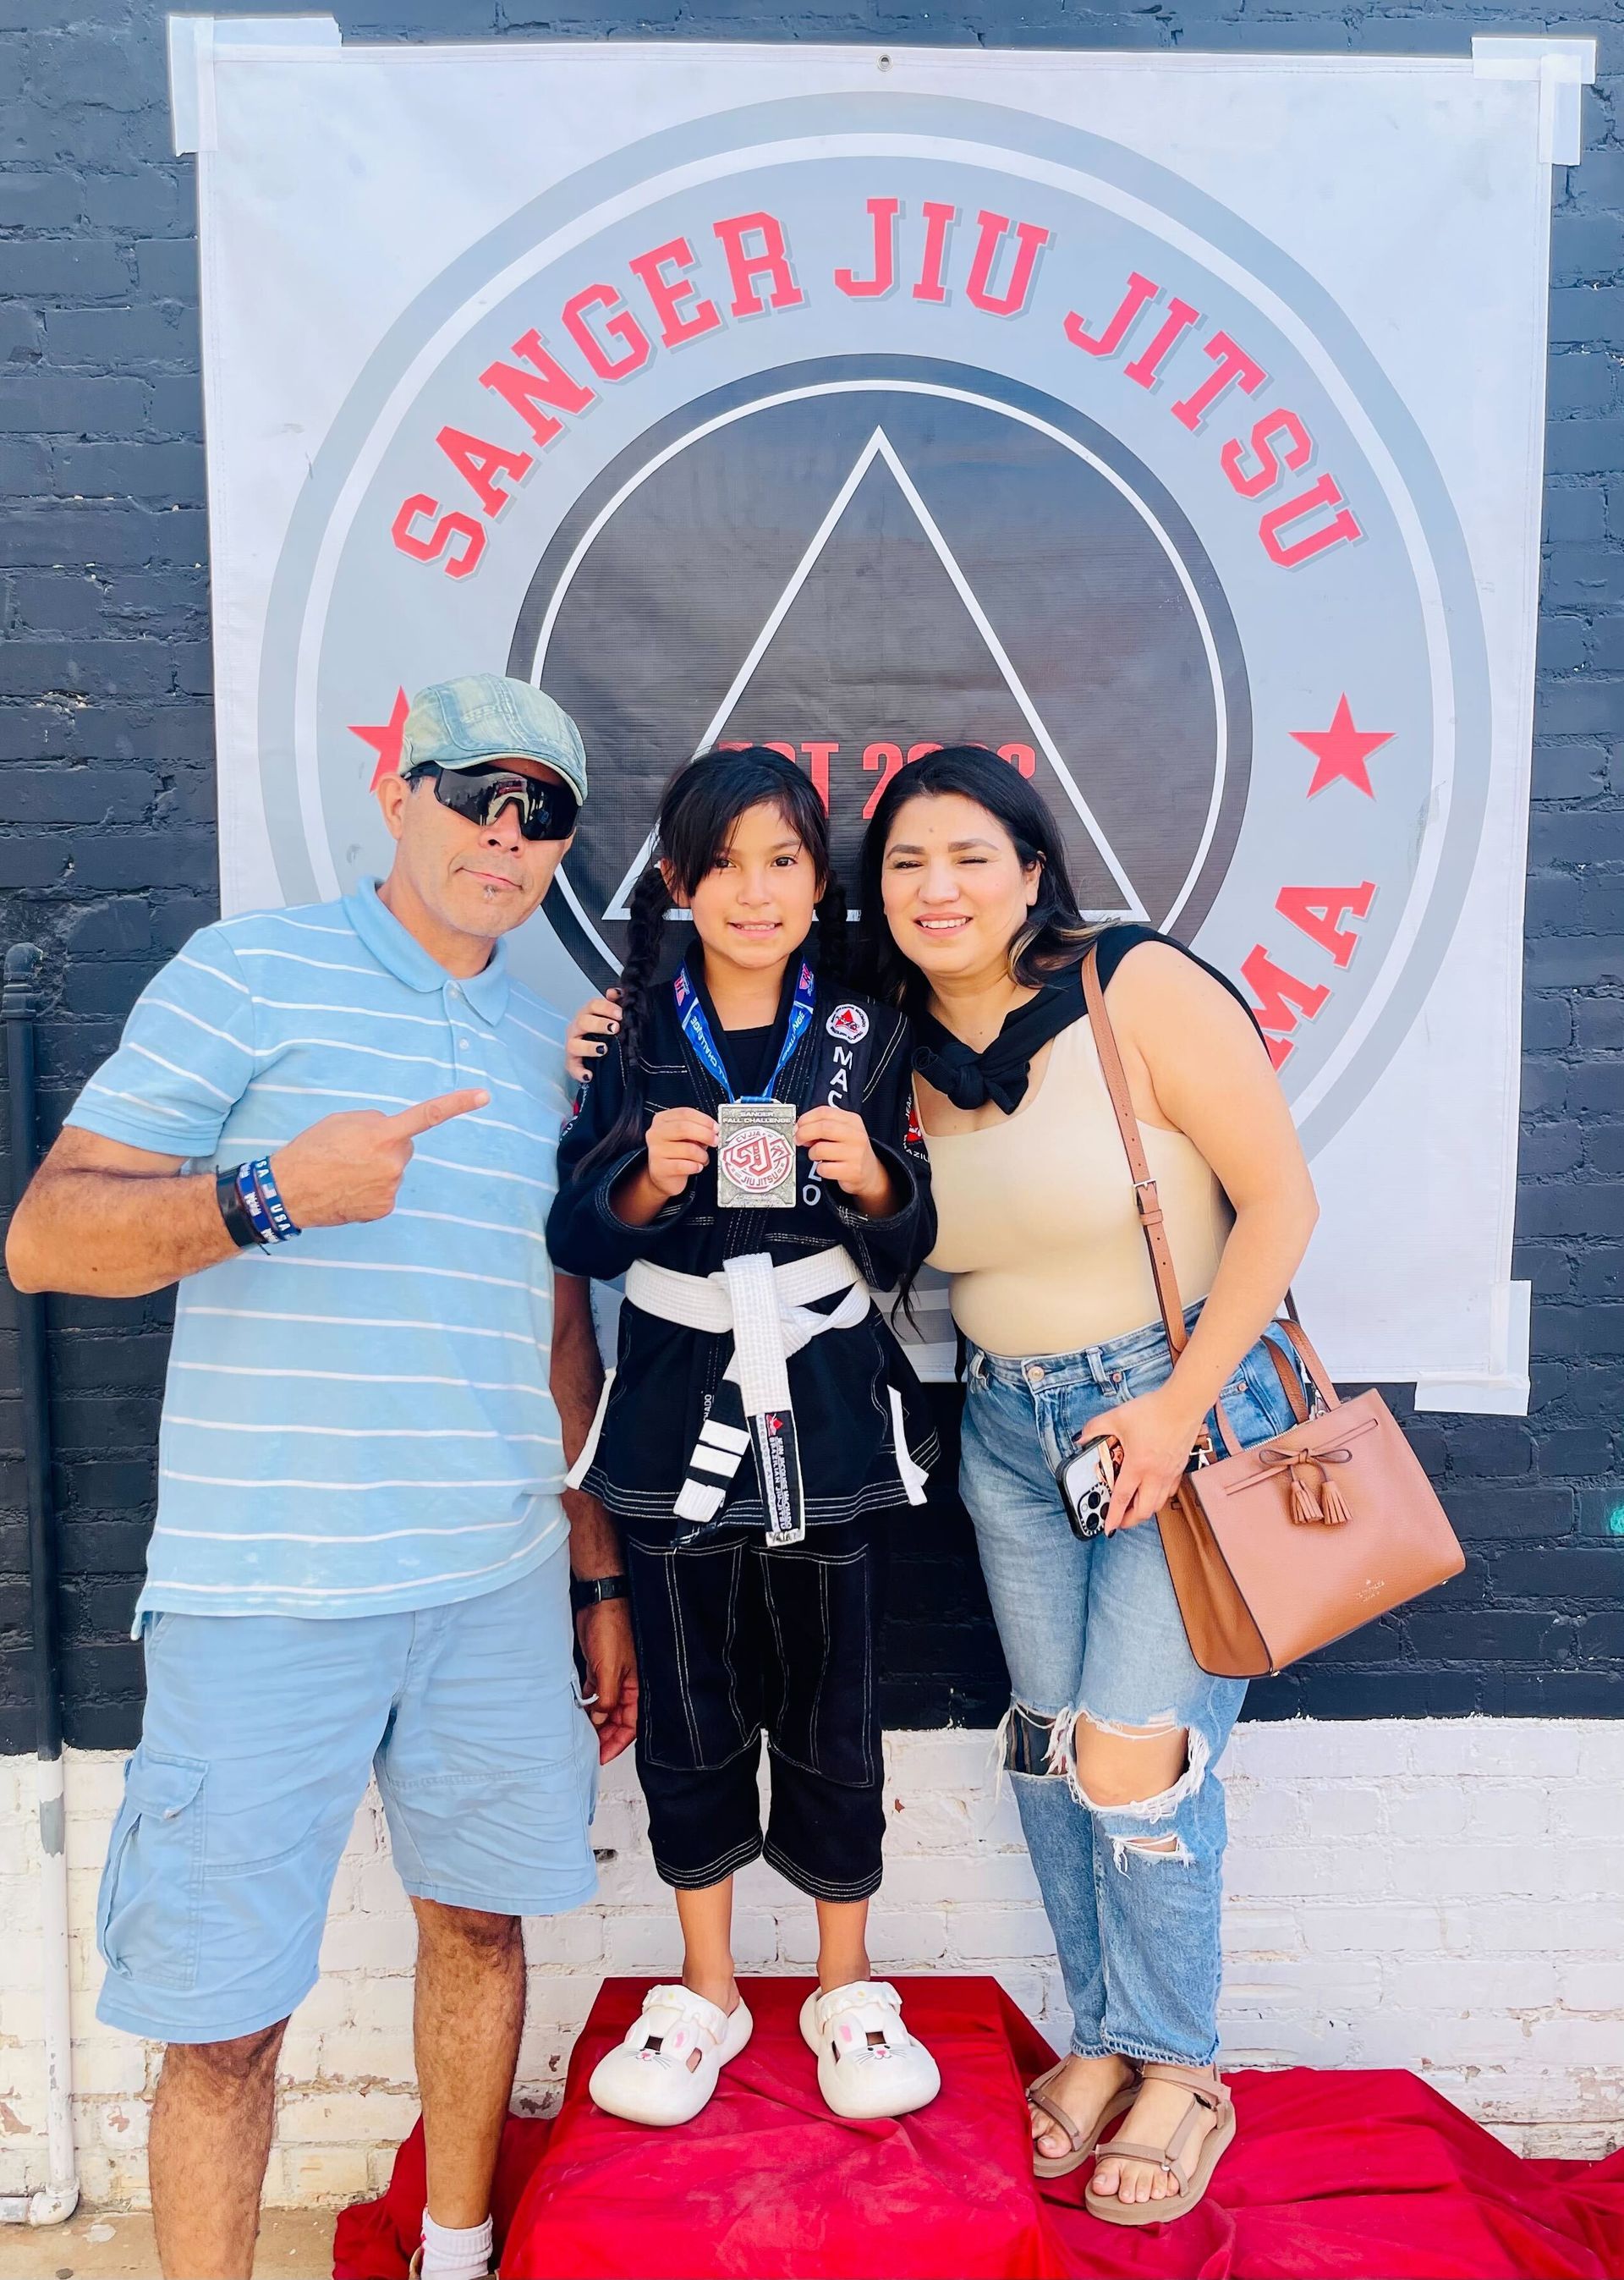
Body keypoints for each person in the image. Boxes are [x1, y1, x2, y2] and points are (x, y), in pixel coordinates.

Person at [6, 673, 634, 2280]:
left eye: (543, 811)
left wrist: (593, 1561)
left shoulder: (553, 1029)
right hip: (263, 1596)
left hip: (494, 1584)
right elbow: (49, 1235)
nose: (508, 833)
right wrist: (272, 1193)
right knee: (221, 2030)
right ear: (401, 791)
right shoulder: (246, 974)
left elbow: (555, 1319)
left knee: (482, 1934)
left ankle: (455, 2254)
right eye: (479, 792)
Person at [856, 744, 1320, 2226]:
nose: (939, 889)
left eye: (970, 856)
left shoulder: (1135, 988)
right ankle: (1103, 2036)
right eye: (905, 864)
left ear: (1035, 869)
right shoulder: (894, 1050)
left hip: (1182, 1411)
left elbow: (1282, 1204)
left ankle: (1181, 2066)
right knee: (1054, 1748)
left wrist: (1181, 1413)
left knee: (1135, 1753)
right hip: (1006, 1430)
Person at [546, 745, 941, 2129]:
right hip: (670, 1398)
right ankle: (706, 1984)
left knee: (834, 1698)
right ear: (676, 882)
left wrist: (877, 1171)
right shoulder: (629, 1029)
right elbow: (573, 1229)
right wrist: (641, 1182)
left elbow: (912, 1235)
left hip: (825, 1402)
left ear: (814, 877)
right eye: (723, 864)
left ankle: (845, 1983)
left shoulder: (868, 1029)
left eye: (784, 861)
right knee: (694, 1702)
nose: (755, 891)